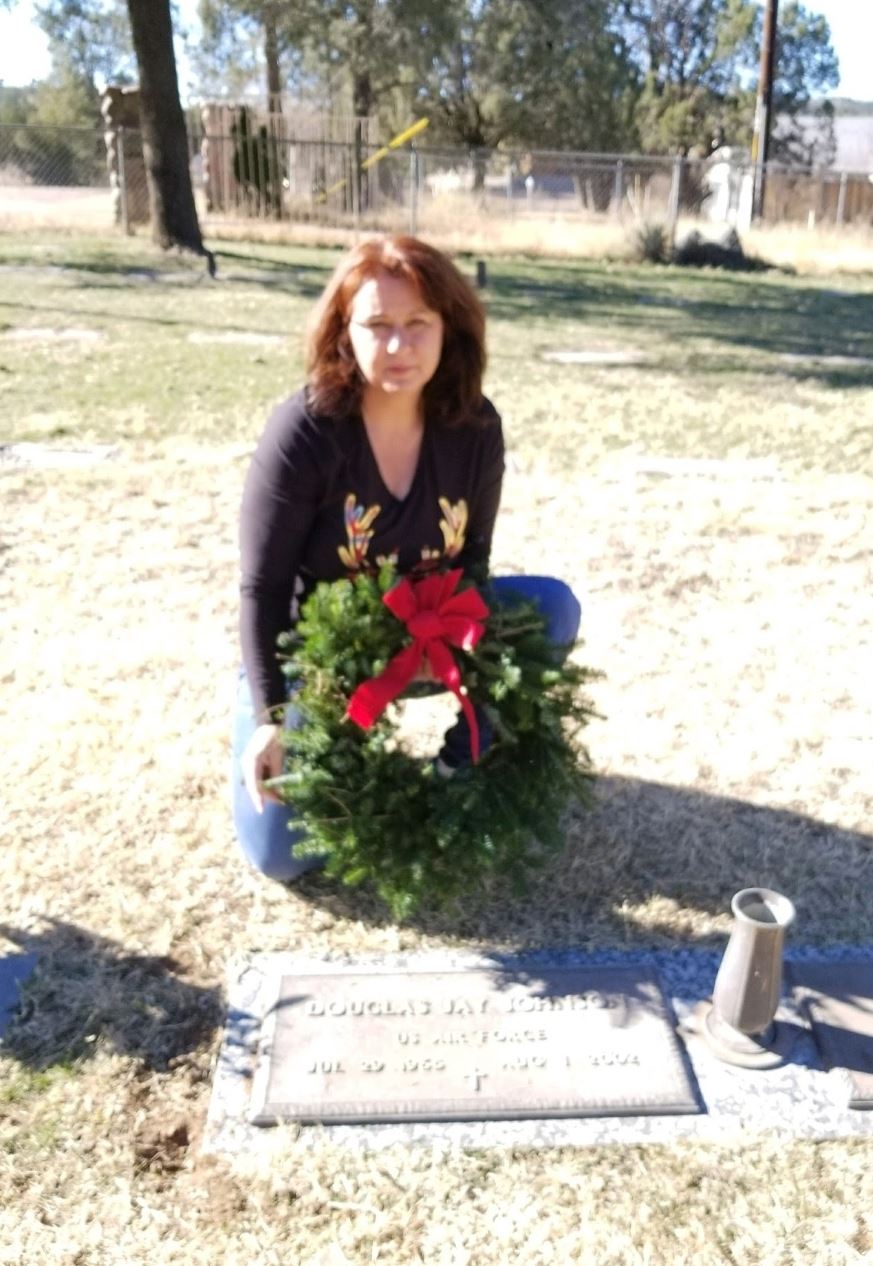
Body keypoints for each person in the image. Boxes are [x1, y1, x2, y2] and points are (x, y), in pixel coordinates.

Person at [233, 235, 580, 881]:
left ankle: (462, 762)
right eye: (377, 325)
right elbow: (262, 585)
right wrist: (271, 717)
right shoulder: (306, 432)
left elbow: (471, 562)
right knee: (281, 856)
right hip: (313, 655)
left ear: (450, 329)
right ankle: (291, 727)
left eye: (417, 324)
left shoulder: (474, 427)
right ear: (344, 331)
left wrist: (446, 656)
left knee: (550, 607)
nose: (398, 347)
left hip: (428, 634)